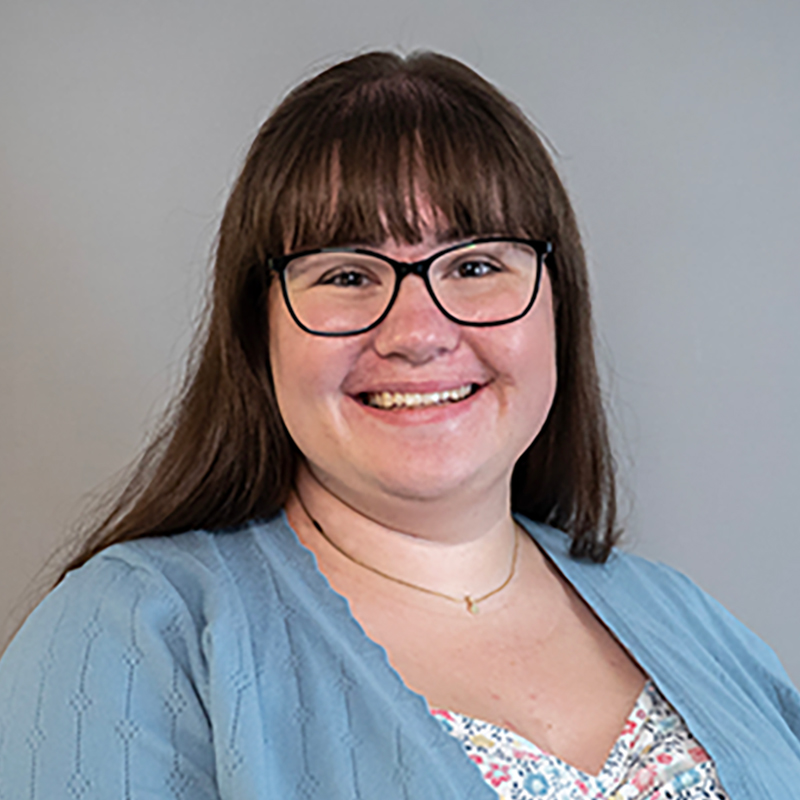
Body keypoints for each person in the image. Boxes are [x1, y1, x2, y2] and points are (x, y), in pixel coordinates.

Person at [0, 51, 798, 800]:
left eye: (476, 265)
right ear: (257, 331)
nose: (417, 332)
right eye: (347, 275)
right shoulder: (130, 639)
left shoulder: (686, 617)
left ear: (560, 306)